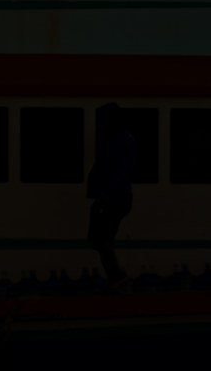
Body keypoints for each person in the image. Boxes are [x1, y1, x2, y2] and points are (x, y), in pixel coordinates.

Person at [86, 103, 136, 287]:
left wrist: (105, 194)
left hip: (112, 197)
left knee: (100, 238)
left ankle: (117, 277)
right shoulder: (120, 140)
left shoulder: (119, 141)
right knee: (100, 238)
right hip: (113, 196)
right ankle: (116, 276)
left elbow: (118, 171)